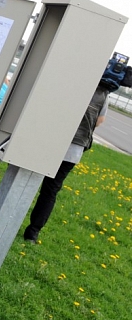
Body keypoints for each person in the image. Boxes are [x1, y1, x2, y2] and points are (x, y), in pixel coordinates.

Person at [23, 84, 110, 243]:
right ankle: (33, 232)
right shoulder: (104, 92)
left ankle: (8, 218)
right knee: (51, 190)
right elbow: (99, 121)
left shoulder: (76, 81)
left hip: (51, 140)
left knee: (26, 177)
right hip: (74, 148)